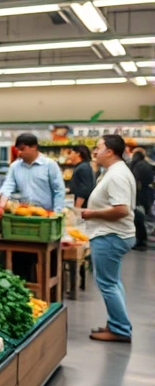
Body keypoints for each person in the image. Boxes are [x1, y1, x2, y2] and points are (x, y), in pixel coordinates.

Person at [83, 135, 136, 343]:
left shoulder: (116, 175)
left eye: (98, 148)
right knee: (112, 282)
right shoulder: (114, 172)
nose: (95, 152)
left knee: (107, 283)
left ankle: (120, 329)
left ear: (110, 151)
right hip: (111, 233)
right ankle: (116, 323)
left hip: (110, 235)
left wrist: (92, 213)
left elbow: (121, 209)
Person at [0, 133, 65, 218]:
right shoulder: (15, 166)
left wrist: (57, 213)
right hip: (24, 213)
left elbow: (58, 190)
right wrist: (1, 206)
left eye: (22, 149)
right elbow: (7, 187)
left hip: (46, 215)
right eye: (18, 150)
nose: (19, 153)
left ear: (34, 147)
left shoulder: (49, 165)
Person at [129, 148, 153, 250]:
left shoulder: (137, 166)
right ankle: (142, 240)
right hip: (147, 193)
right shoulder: (147, 165)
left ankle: (140, 241)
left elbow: (135, 180)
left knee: (138, 219)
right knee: (143, 218)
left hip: (139, 195)